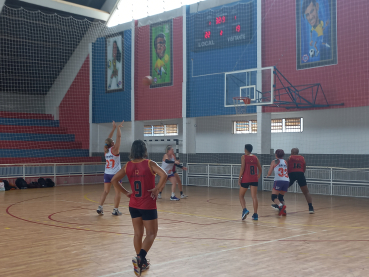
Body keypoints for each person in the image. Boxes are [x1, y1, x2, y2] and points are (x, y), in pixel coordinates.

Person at [111, 140, 167, 276]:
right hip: (148, 204)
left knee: (137, 234)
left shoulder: (127, 166)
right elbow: (164, 175)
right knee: (152, 234)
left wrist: (125, 193)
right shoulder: (149, 163)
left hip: (133, 205)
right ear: (144, 150)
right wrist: (157, 189)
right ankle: (140, 259)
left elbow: (114, 180)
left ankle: (140, 264)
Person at [97, 121, 124, 216]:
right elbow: (118, 137)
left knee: (105, 191)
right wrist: (118, 128)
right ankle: (115, 210)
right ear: (112, 143)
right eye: (112, 141)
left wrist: (113, 129)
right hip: (115, 174)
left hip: (107, 174)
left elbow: (108, 139)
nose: (113, 141)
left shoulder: (106, 150)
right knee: (118, 193)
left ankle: (100, 207)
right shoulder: (115, 149)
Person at [238, 144, 261, 221]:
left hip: (246, 178)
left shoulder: (243, 157)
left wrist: (239, 178)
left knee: (241, 196)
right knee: (254, 197)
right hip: (254, 178)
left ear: (245, 149)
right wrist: (258, 175)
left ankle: (244, 210)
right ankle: (255, 214)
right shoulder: (255, 157)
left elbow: (242, 168)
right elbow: (260, 169)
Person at [266, 149, 289, 216]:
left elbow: (270, 172)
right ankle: (283, 211)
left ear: (276, 155)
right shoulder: (285, 162)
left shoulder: (274, 161)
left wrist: (268, 175)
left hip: (279, 180)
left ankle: (281, 206)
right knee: (281, 197)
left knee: (273, 197)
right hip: (286, 180)